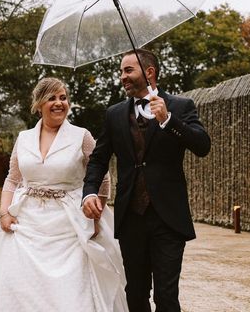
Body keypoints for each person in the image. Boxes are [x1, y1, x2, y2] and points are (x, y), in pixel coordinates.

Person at [0, 77, 128, 312]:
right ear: (39, 104)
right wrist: (4, 213)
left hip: (71, 222)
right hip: (27, 221)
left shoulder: (81, 136)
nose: (59, 103)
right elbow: (13, 179)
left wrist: (95, 214)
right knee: (16, 282)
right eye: (52, 98)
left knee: (70, 289)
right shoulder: (23, 138)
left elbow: (102, 176)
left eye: (63, 98)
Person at [82, 49, 211, 312]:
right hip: (131, 217)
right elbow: (98, 159)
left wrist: (168, 120)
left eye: (128, 70)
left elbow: (202, 146)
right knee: (136, 292)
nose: (122, 77)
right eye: (121, 71)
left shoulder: (180, 106)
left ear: (149, 72)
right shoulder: (114, 114)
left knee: (166, 295)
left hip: (168, 218)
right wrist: (89, 192)